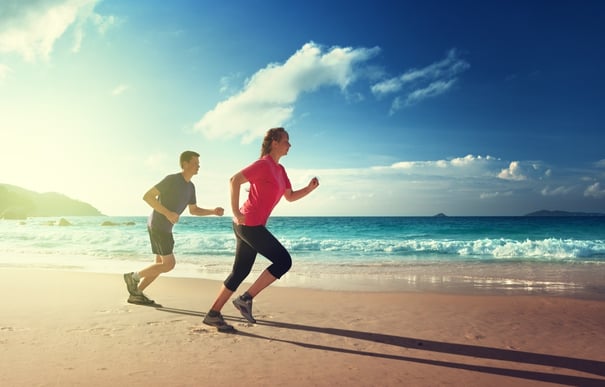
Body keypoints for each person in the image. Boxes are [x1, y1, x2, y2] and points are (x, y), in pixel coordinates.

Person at [203, 127, 319, 332]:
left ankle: (213, 313)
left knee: (240, 271)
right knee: (284, 261)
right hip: (248, 224)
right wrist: (236, 211)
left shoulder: (280, 170)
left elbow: (290, 197)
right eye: (286, 141)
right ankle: (245, 299)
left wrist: (309, 189)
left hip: (250, 225)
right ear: (274, 142)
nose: (289, 145)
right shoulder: (263, 164)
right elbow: (234, 180)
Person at [124, 151, 224, 306]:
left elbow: (194, 210)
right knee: (169, 265)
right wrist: (168, 212)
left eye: (198, 163)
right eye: (195, 163)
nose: (198, 166)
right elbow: (148, 196)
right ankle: (133, 277)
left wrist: (212, 211)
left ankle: (136, 293)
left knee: (159, 265)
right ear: (184, 164)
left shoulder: (191, 187)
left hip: (165, 228)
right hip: (158, 225)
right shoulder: (171, 180)